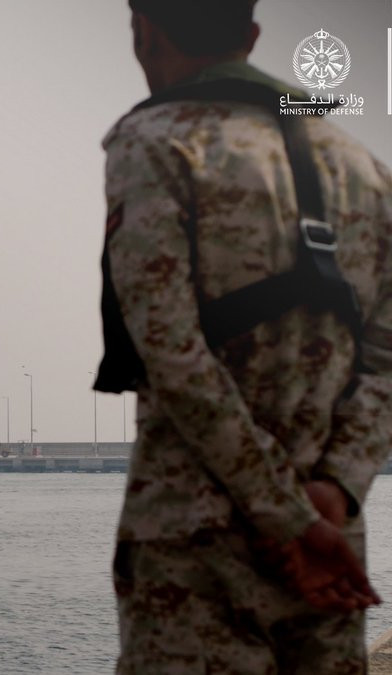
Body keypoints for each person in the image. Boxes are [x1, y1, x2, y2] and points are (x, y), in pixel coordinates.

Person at [98, 1, 391, 671]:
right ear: (251, 35)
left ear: (143, 31)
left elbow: (172, 353)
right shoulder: (365, 169)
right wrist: (333, 492)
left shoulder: (155, 143)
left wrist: (287, 517)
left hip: (195, 557)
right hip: (329, 558)